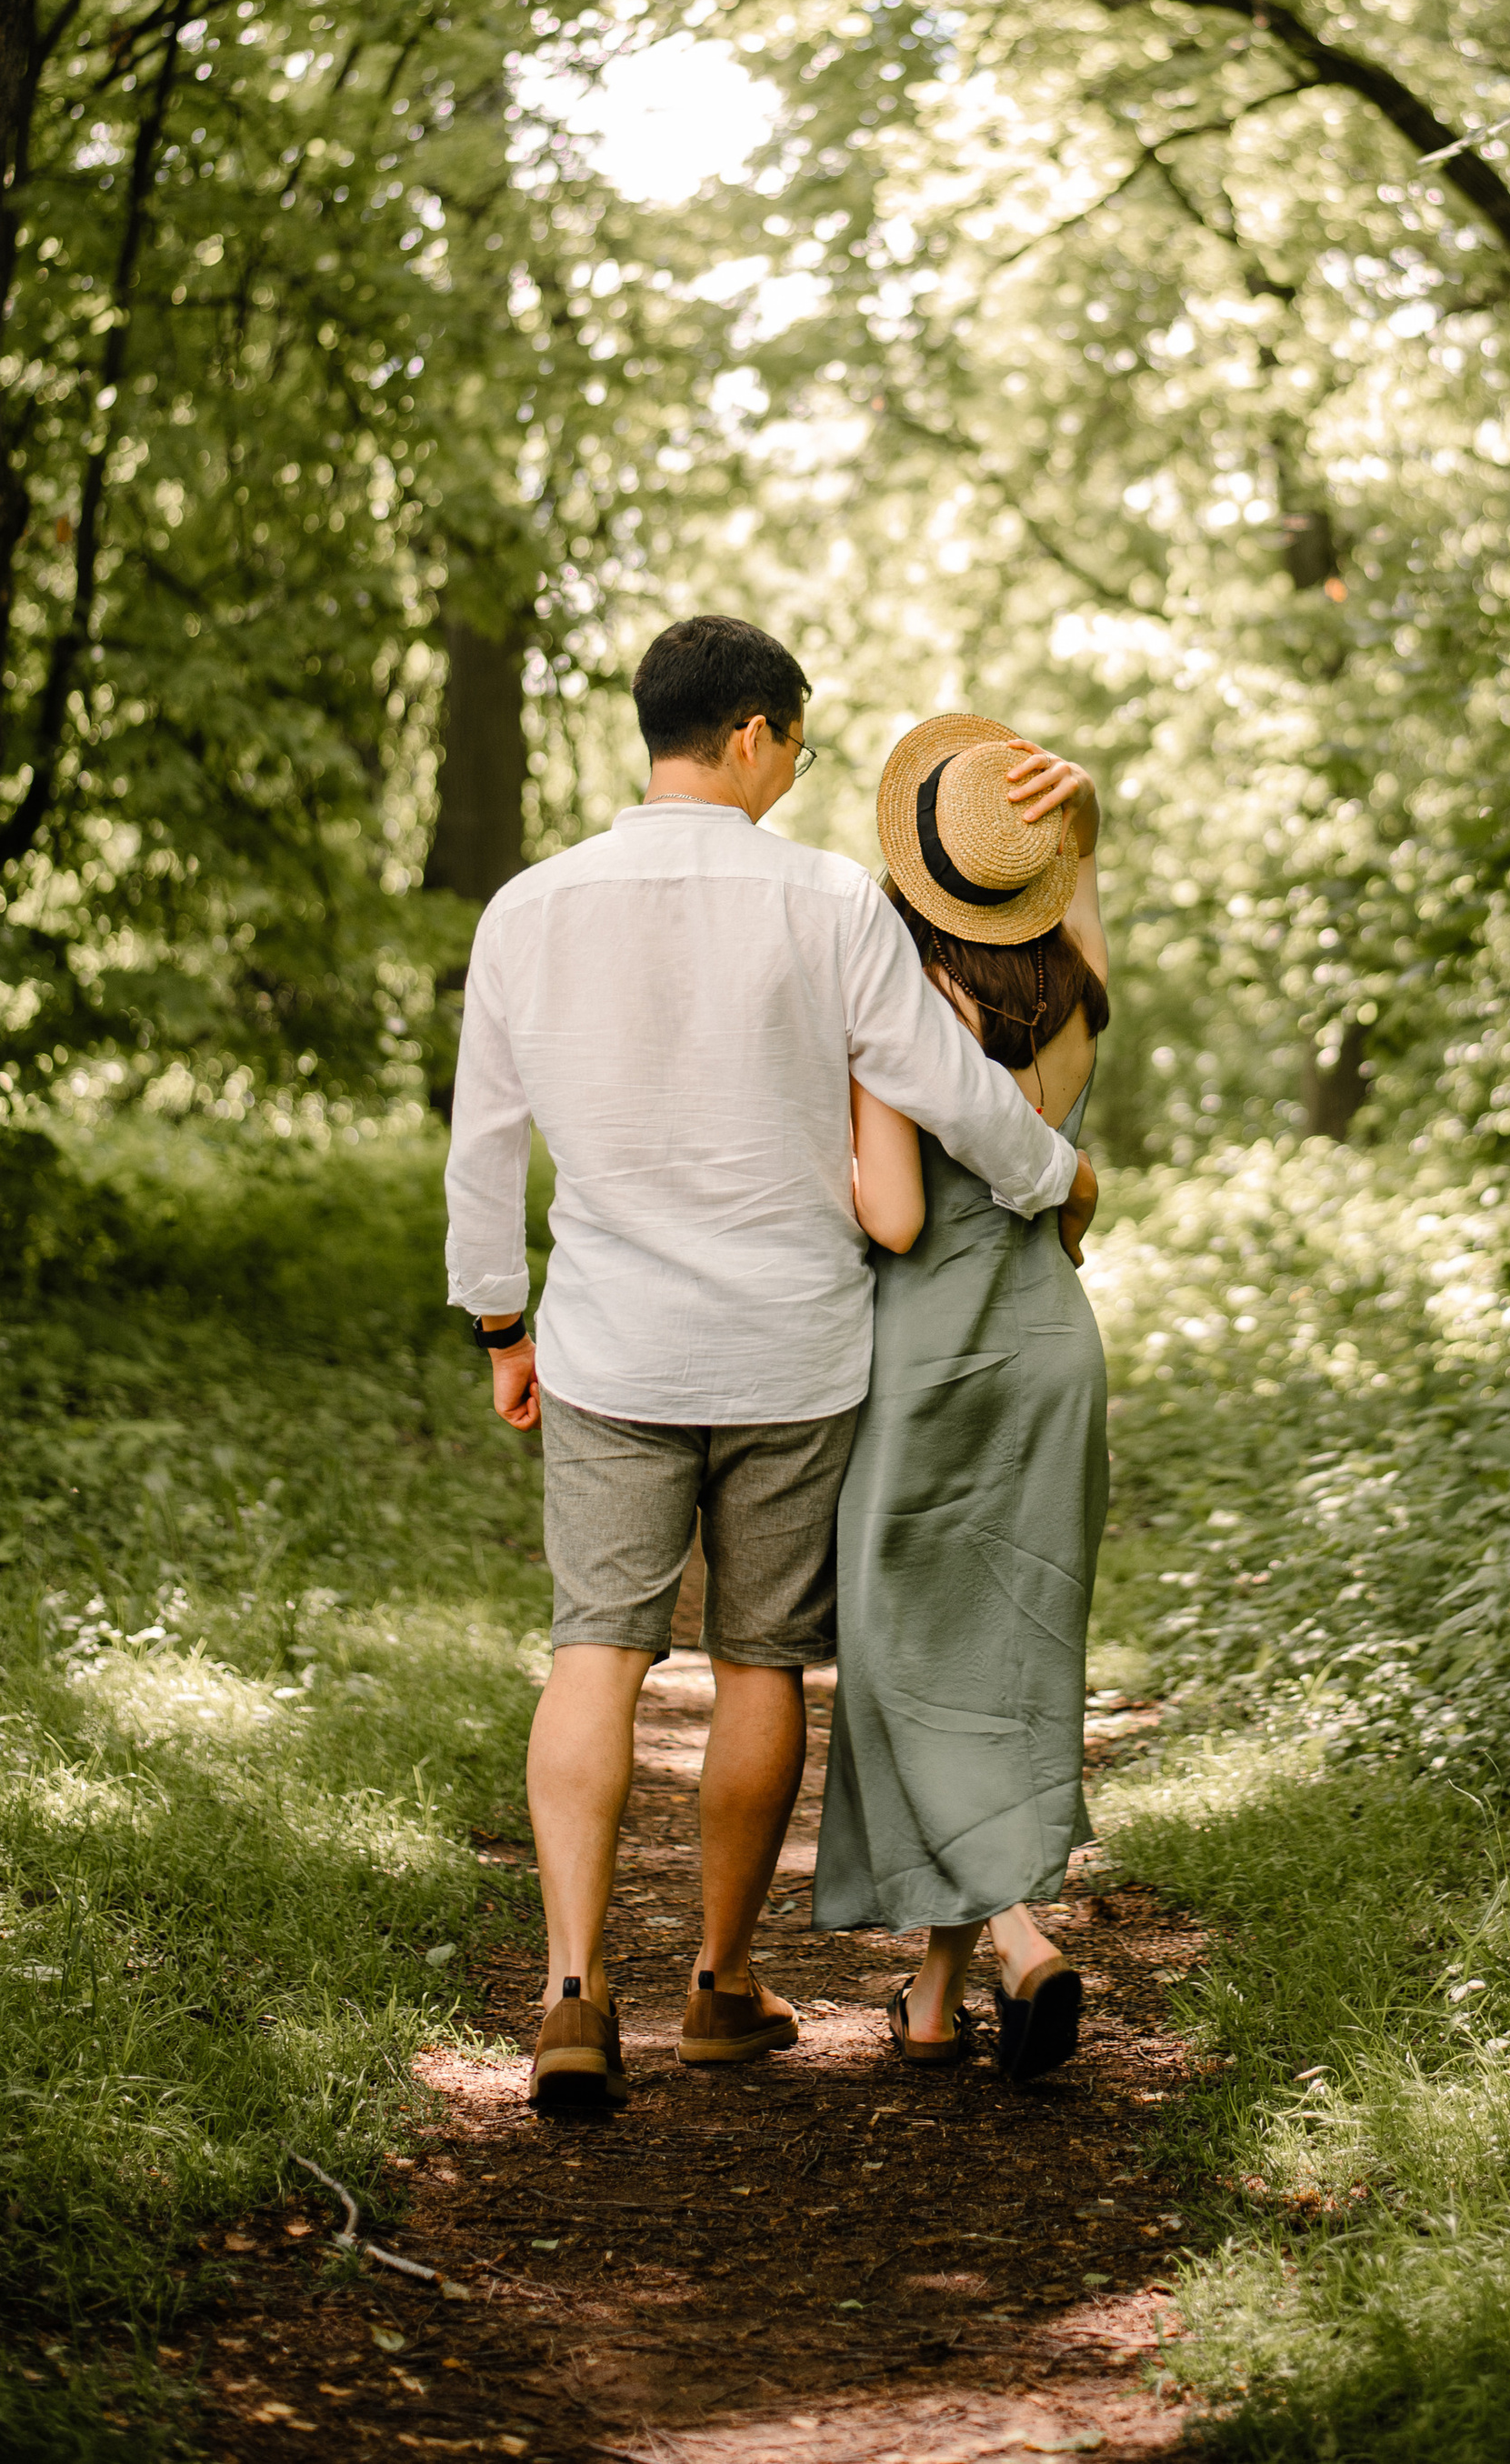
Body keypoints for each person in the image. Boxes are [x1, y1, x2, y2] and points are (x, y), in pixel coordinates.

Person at [443, 617, 1098, 2112]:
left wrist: (501, 1322)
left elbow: (483, 1145)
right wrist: (1052, 1172)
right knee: (758, 1666)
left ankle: (570, 1989)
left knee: (594, 1651)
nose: (798, 770)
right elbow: (941, 1082)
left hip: (611, 1344)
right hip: (795, 1352)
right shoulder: (823, 902)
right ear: (751, 732)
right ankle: (723, 1982)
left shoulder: (530, 907)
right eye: (796, 742)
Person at [812, 712, 1111, 2085]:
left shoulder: (900, 1018)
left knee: (899, 1663)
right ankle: (931, 2004)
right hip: (1051, 1350)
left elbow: (886, 1213)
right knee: (999, 1654)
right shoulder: (1071, 996)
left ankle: (1018, 1932)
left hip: (927, 1361)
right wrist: (1084, 833)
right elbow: (1089, 925)